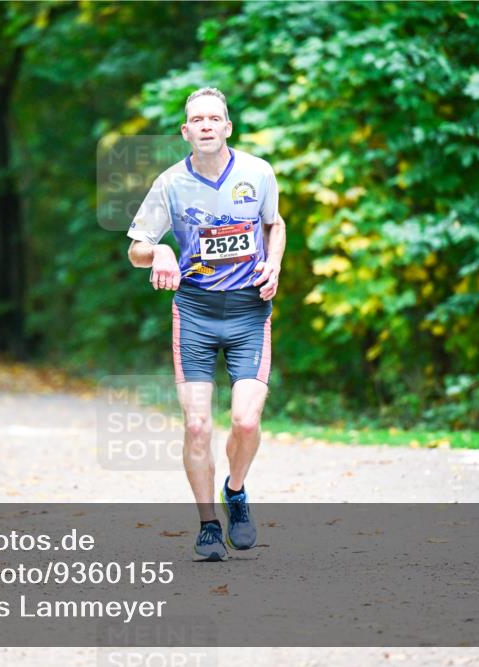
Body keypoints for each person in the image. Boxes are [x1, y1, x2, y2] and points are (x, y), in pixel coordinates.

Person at [126, 87, 286, 561]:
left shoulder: (258, 173)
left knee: (246, 420)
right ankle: (209, 525)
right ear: (186, 131)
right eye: (198, 119)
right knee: (197, 426)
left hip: (248, 311)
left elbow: (274, 224)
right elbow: (136, 248)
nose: (207, 125)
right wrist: (159, 250)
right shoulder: (171, 183)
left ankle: (234, 491)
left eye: (215, 118)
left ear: (228, 127)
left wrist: (274, 265)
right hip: (194, 312)